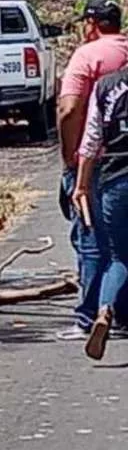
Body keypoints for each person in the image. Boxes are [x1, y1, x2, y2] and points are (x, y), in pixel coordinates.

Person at [56, 0, 128, 341]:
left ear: (92, 24)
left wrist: (71, 163)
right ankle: (121, 313)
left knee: (92, 241)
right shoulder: (124, 53)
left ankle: (88, 315)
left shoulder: (87, 56)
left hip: (101, 164)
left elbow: (70, 111)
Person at [73, 65, 128, 360]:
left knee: (119, 258)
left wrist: (81, 185)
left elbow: (90, 141)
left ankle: (104, 309)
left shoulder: (106, 85)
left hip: (115, 178)